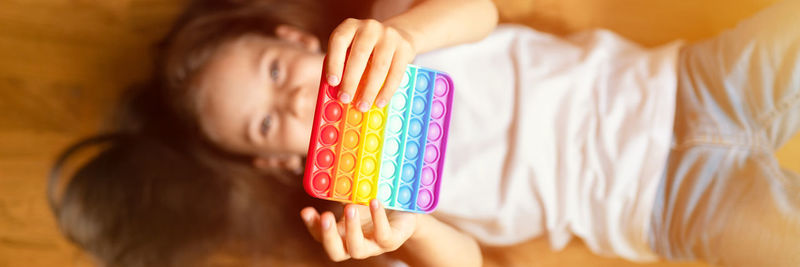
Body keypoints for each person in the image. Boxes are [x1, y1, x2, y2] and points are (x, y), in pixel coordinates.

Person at [50, 0, 800, 266]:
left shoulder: (391, 30)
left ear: (298, 40)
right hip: (673, 206)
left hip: (693, 83)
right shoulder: (370, 212)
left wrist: (404, 34)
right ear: (281, 159)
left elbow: (480, 9)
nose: (300, 99)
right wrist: (411, 233)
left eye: (279, 72)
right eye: (271, 121)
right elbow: (465, 264)